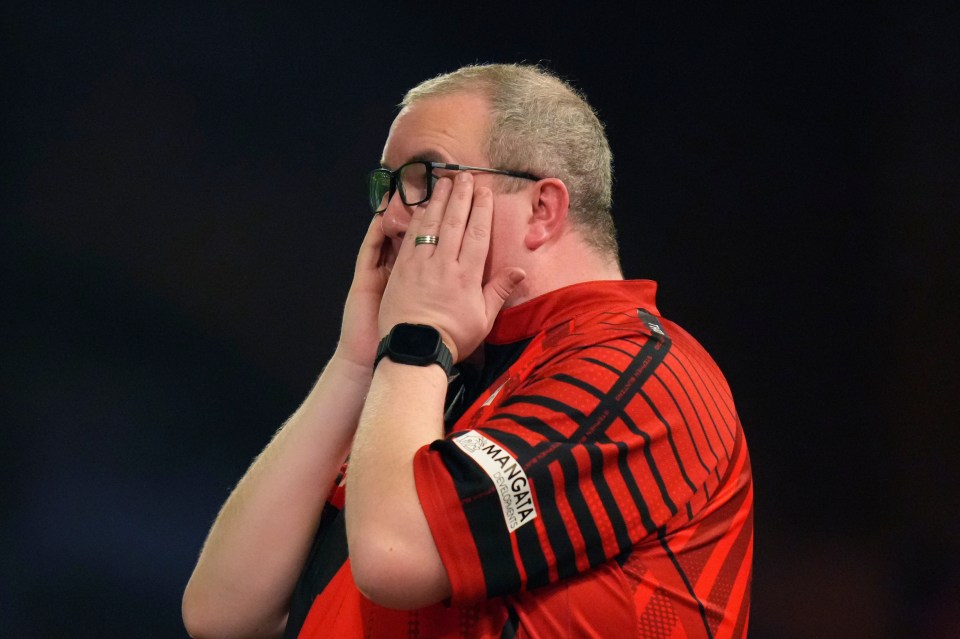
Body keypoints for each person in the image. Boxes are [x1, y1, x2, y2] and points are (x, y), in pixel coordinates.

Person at [182, 63, 753, 639]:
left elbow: (393, 553)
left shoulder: (644, 373)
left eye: (424, 176)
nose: (391, 215)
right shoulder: (438, 380)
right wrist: (355, 363)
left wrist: (415, 339)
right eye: (387, 186)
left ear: (542, 209)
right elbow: (223, 612)